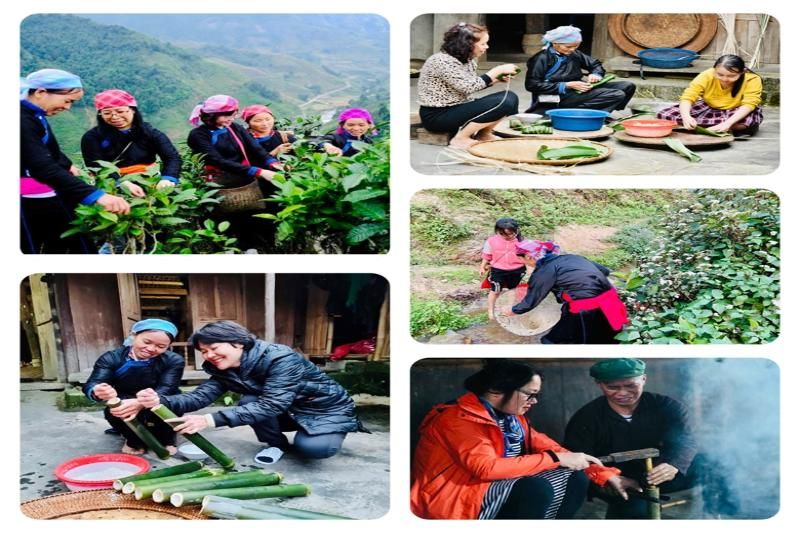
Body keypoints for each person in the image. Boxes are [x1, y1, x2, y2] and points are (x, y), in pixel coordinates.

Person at [410, 359, 633, 520]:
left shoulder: (513, 419)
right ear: (496, 390)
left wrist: (603, 474)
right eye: (529, 394)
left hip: (493, 484)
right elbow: (485, 468)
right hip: (455, 494)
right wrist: (554, 458)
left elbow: (554, 449)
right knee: (534, 488)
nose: (534, 401)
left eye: (536, 395)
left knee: (575, 476)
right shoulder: (457, 419)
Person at [136, 320, 369, 464]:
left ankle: (329, 432)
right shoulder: (224, 368)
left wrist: (209, 420)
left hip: (323, 410)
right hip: (288, 409)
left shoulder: (280, 358)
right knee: (249, 400)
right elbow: (200, 396)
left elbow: (272, 404)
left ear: (237, 343)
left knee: (315, 449)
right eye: (203, 351)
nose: (209, 355)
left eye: (213, 348)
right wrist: (159, 400)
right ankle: (276, 444)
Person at [564, 358, 723, 519]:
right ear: (599, 384)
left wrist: (674, 464)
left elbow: (687, 439)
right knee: (637, 514)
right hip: (619, 482)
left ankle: (716, 517)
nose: (623, 393)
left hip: (663, 473)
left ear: (644, 379)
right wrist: (608, 477)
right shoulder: (586, 418)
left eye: (631, 385)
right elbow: (578, 459)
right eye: (612, 387)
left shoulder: (666, 406)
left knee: (717, 465)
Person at [20, 69, 130, 254]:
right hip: (31, 200)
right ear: (40, 92)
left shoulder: (35, 116)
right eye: (67, 101)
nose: (68, 107)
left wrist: (67, 165)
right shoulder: (22, 120)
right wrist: (96, 195)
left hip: (50, 193)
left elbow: (50, 150)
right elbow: (42, 166)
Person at [186, 95, 278, 250]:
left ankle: (250, 248)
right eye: (227, 116)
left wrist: (272, 162)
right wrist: (258, 171)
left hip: (243, 179)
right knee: (226, 217)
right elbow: (217, 160)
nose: (231, 119)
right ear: (211, 116)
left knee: (250, 215)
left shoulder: (234, 127)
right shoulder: (198, 135)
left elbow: (254, 148)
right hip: (219, 182)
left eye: (233, 115)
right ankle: (227, 249)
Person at [83, 319, 184, 455]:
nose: (151, 349)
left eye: (161, 346)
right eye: (146, 342)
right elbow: (93, 383)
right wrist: (97, 390)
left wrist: (142, 402)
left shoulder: (173, 360)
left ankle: (167, 440)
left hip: (158, 397)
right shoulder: (111, 358)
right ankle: (132, 440)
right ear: (134, 335)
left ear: (168, 346)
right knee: (115, 411)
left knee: (171, 406)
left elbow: (168, 387)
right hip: (125, 398)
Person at [416, 22, 521, 149]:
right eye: (483, 43)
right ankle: (460, 139)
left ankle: (484, 134)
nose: (486, 47)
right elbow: (467, 87)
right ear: (468, 44)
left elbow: (471, 85)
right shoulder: (441, 61)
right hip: (437, 116)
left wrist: (496, 80)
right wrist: (495, 72)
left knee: (510, 97)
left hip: (457, 107)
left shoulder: (467, 60)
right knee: (504, 102)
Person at [500, 241, 628, 344]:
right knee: (609, 336)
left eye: (520, 259)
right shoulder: (572, 257)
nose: (522, 262)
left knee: (565, 339)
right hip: (611, 299)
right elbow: (604, 271)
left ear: (528, 257)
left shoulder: (545, 271)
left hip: (586, 308)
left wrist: (513, 310)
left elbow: (532, 299)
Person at [81, 89, 181, 198]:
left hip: (149, 181)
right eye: (107, 113)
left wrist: (168, 178)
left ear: (133, 110)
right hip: (112, 185)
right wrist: (121, 183)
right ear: (100, 114)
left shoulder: (150, 133)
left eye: (120, 111)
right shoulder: (92, 137)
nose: (114, 117)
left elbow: (172, 157)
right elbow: (95, 164)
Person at [524, 25, 635, 115]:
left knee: (627, 86)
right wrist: (567, 85)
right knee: (617, 94)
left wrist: (596, 74)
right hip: (558, 96)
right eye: (568, 47)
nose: (572, 50)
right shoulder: (541, 58)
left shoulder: (574, 53)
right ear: (555, 43)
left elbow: (595, 64)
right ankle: (575, 113)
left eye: (576, 46)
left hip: (578, 89)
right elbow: (532, 85)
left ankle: (601, 111)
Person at [656, 54, 764, 136]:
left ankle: (717, 126)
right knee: (665, 115)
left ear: (742, 72)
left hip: (737, 109)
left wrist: (727, 123)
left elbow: (749, 104)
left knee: (744, 122)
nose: (725, 79)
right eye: (720, 74)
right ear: (714, 70)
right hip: (709, 107)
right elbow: (688, 96)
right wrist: (686, 117)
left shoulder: (752, 79)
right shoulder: (707, 74)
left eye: (731, 76)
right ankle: (714, 127)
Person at [479, 218, 528, 321]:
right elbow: (487, 255)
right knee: (495, 290)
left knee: (512, 289)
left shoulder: (522, 242)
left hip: (517, 270)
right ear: (497, 231)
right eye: (503, 234)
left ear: (516, 230)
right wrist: (482, 266)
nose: (507, 237)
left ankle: (509, 309)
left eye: (510, 234)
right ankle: (491, 311)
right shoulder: (492, 241)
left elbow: (528, 257)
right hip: (498, 270)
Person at [241, 104, 295, 171]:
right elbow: (244, 166)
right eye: (258, 121)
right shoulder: (243, 141)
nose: (265, 124)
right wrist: (275, 152)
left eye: (268, 119)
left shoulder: (284, 137)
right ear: (248, 122)